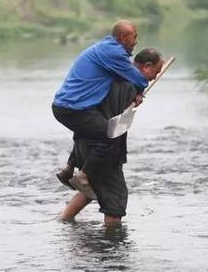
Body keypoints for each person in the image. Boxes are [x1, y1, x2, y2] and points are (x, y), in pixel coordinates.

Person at [57, 49, 164, 226]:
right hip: (102, 149)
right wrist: (134, 94)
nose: (154, 77)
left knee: (92, 187)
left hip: (83, 144)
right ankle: (111, 247)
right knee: (115, 200)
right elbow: (114, 122)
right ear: (147, 66)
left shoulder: (110, 75)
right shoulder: (127, 83)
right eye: (156, 72)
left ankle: (64, 223)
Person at [52, 20, 146, 196]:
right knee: (112, 135)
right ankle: (83, 176)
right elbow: (139, 79)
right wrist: (139, 91)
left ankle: (68, 169)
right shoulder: (114, 53)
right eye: (134, 37)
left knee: (87, 131)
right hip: (73, 109)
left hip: (64, 106)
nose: (136, 42)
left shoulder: (105, 46)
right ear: (123, 37)